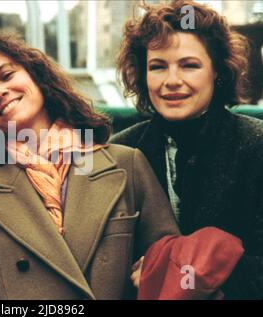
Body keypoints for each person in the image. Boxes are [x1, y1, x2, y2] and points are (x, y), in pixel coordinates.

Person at [0, 32, 179, 300]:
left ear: (36, 74)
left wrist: (156, 270)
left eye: (7, 75)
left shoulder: (126, 164)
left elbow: (172, 263)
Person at [112, 0, 263, 299]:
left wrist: (178, 275)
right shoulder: (120, 151)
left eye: (189, 65)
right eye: (157, 66)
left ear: (217, 72)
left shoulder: (256, 145)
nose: (172, 81)